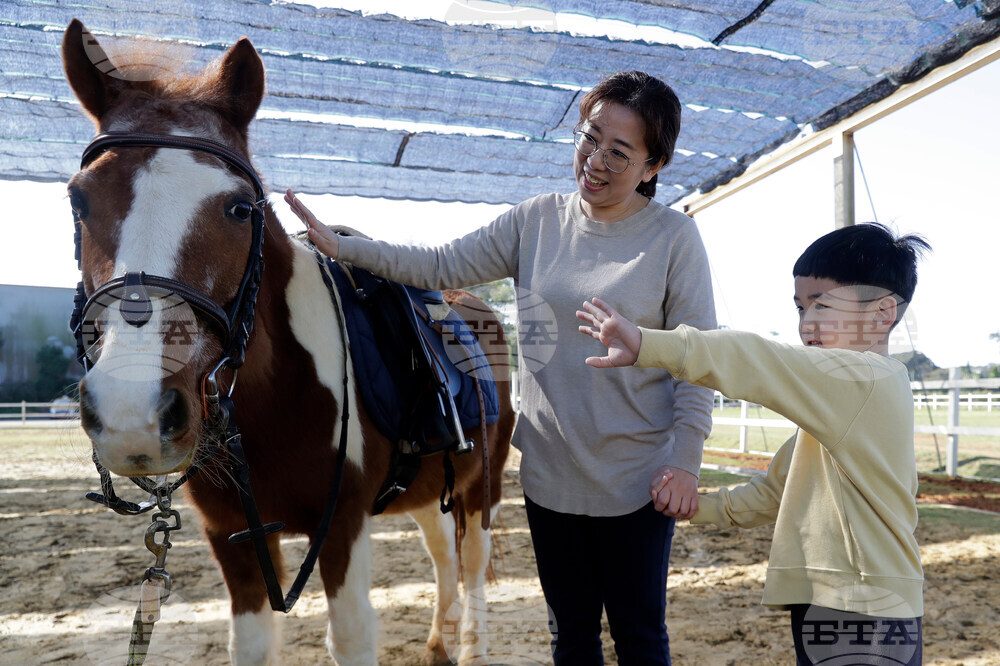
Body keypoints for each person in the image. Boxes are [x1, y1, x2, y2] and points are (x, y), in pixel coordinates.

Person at [285, 70, 716, 664]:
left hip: (637, 479)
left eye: (620, 151)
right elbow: (439, 265)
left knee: (641, 637)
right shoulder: (537, 220)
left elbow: (698, 358)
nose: (596, 159)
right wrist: (346, 248)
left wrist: (686, 460)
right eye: (590, 137)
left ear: (653, 164)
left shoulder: (674, 239)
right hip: (550, 475)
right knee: (571, 637)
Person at [576, 223, 930, 665]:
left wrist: (648, 343)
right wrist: (694, 507)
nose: (807, 323)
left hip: (863, 602)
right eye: (801, 307)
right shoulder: (839, 403)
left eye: (822, 305)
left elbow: (760, 359)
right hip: (837, 597)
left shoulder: (865, 379)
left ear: (882, 314)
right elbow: (775, 493)